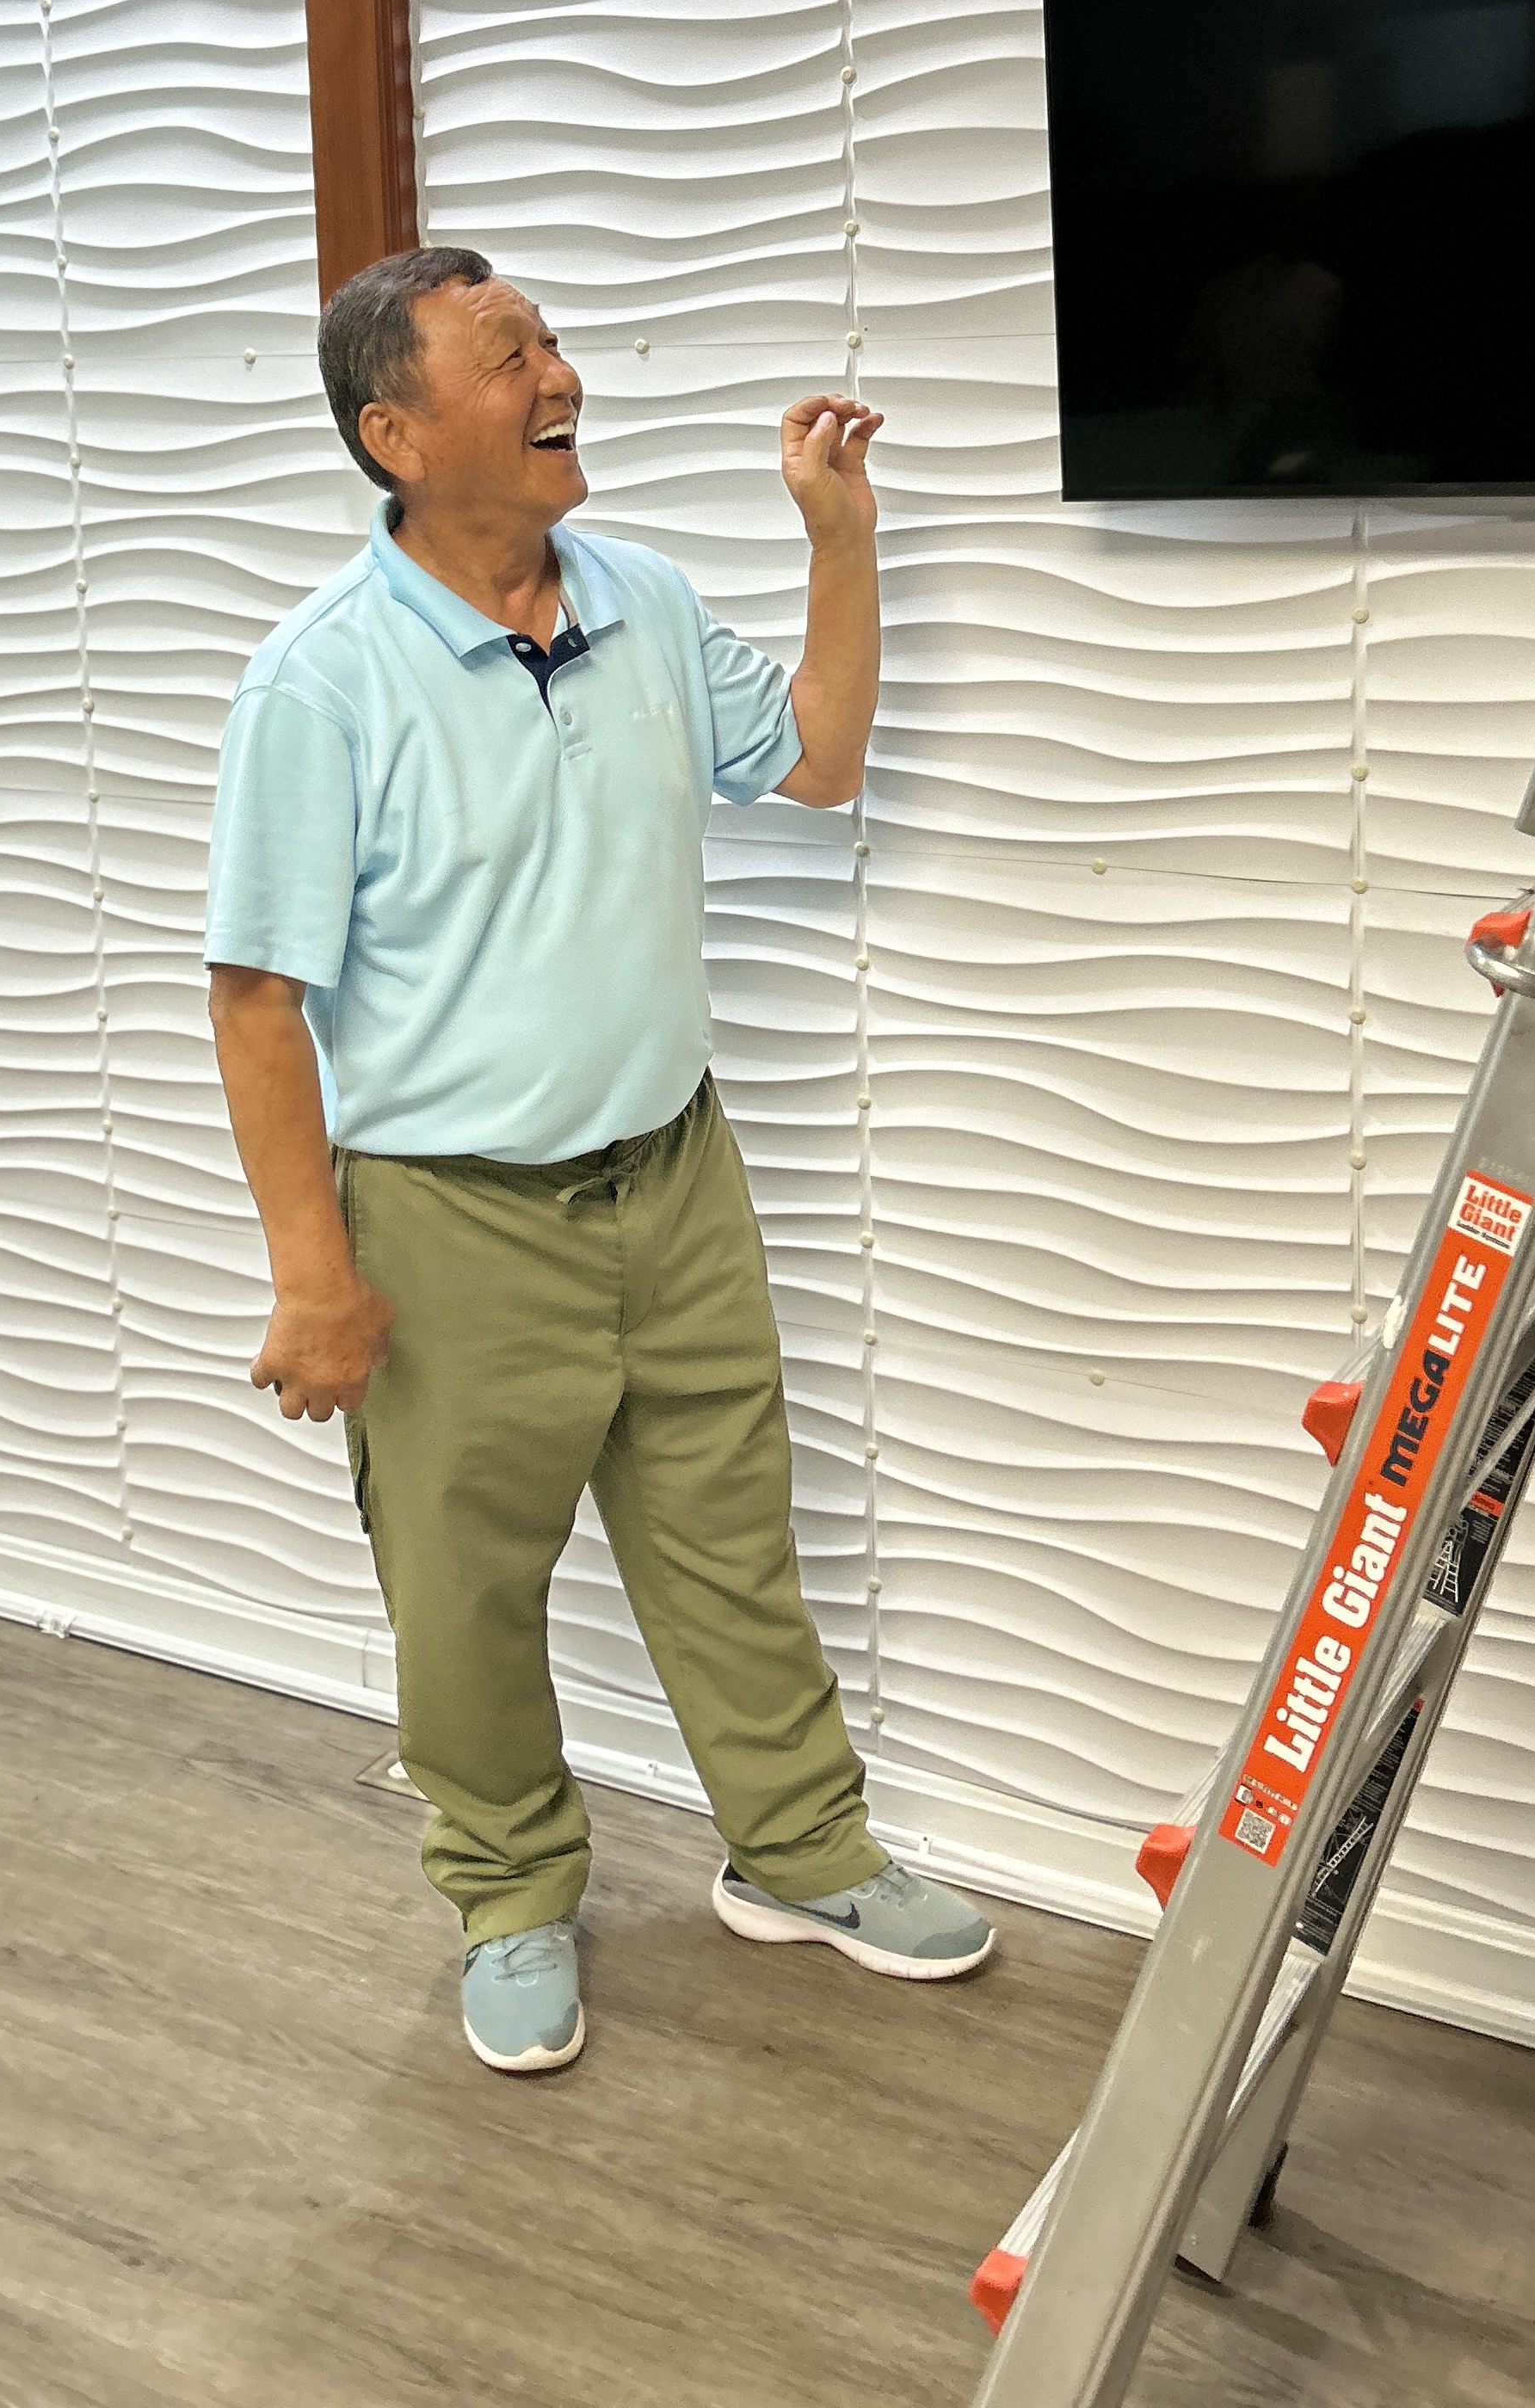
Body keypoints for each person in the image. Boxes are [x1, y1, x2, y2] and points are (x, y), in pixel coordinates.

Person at [203, 244, 995, 2072]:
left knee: (731, 1542)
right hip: (451, 1219)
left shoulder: (641, 596)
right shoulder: (319, 685)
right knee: (465, 1595)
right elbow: (255, 1002)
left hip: (676, 1172)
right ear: (399, 435)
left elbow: (815, 761)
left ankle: (799, 1852)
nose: (560, 373)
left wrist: (840, 537)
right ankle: (508, 1897)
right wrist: (315, 1278)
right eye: (510, 353)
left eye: (551, 341)